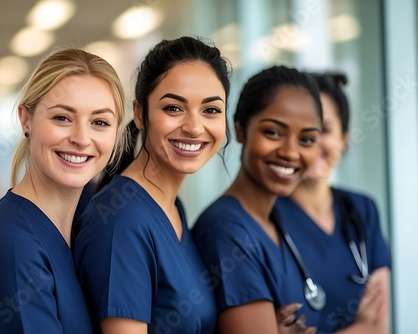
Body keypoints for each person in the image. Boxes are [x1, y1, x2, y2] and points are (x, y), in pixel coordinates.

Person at [0, 47, 126, 333]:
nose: (81, 138)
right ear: (26, 119)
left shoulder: (82, 232)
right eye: (62, 118)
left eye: (100, 122)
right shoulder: (12, 247)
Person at [73, 36, 231, 334]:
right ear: (140, 113)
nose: (194, 127)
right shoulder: (120, 222)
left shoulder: (171, 207)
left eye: (210, 110)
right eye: (174, 108)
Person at [192, 65, 323, 334]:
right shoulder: (226, 231)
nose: (290, 152)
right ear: (240, 130)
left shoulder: (278, 218)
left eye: (307, 139)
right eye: (273, 133)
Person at [274, 72, 391, 334]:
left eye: (324, 129)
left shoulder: (362, 211)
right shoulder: (264, 217)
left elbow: (378, 326)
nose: (312, 140)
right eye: (302, 130)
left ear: (344, 138)